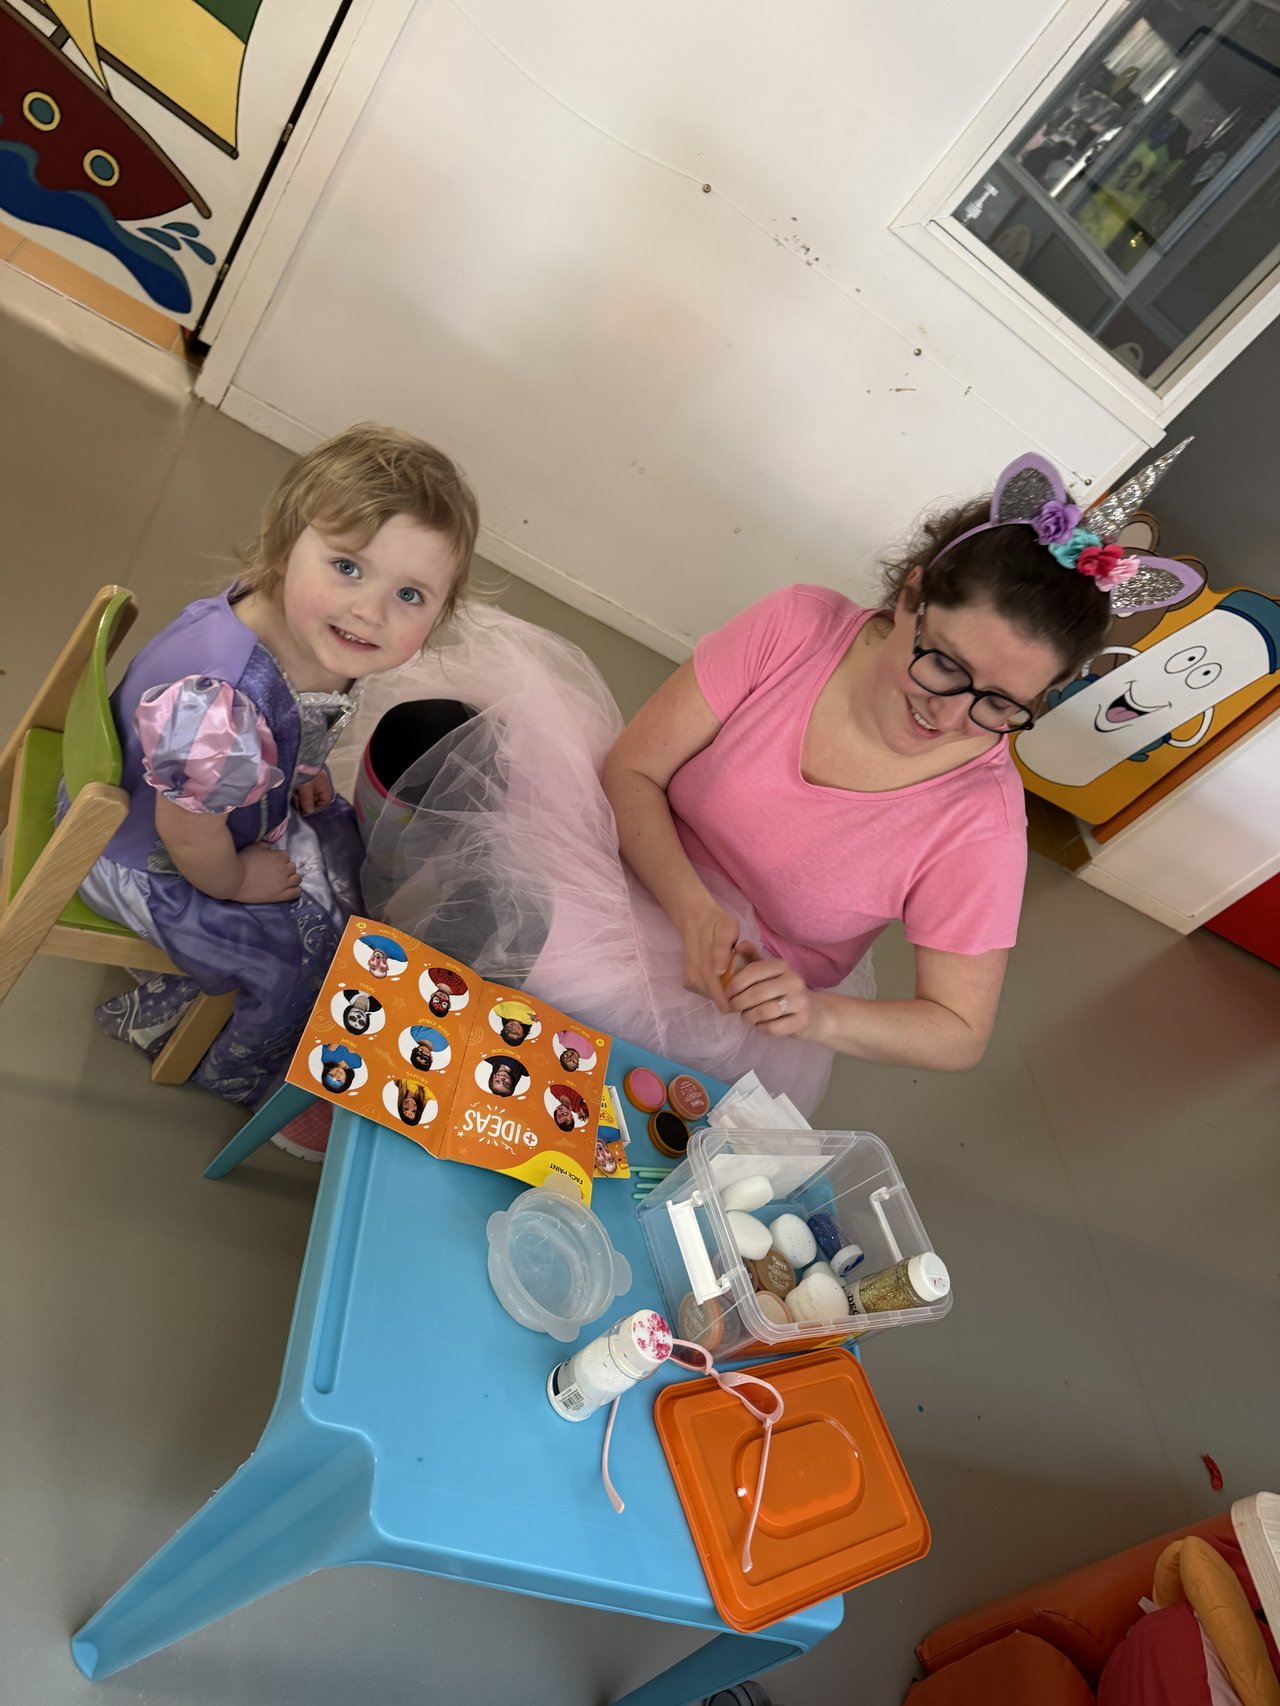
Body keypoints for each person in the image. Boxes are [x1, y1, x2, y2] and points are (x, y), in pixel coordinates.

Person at [349, 449, 1189, 1115]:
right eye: (944, 665)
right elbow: (632, 769)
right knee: (432, 740)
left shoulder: (980, 823)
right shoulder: (798, 628)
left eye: (1001, 704)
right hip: (628, 846)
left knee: (509, 934)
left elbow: (958, 1029)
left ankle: (376, 1058)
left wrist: (816, 1014)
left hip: (721, 993)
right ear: (911, 596)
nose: (950, 713)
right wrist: (692, 905)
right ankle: (353, 933)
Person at [75, 423, 478, 1110]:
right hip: (144, 857)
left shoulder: (293, 626)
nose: (370, 611)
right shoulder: (220, 701)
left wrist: (297, 768)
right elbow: (185, 833)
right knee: (294, 959)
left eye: (410, 595)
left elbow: (281, 720)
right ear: (284, 548)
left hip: (209, 815)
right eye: (348, 567)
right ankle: (218, 1060)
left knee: (343, 849)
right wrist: (235, 881)